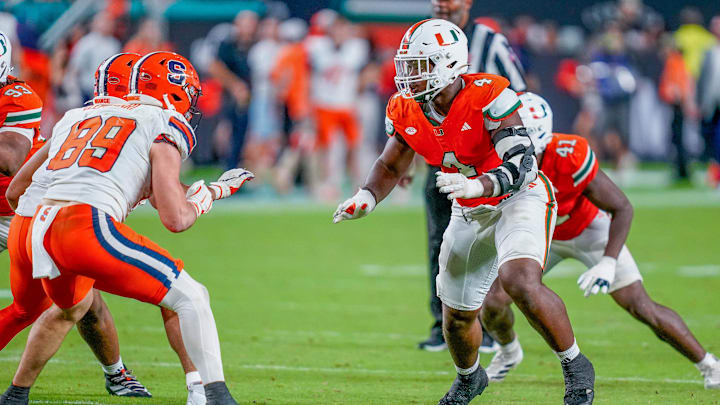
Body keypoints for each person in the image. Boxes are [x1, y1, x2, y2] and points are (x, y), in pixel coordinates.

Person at [333, 19, 594, 405]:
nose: (409, 76)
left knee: (519, 280)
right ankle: (470, 378)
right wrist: (368, 196)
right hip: (469, 209)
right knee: (455, 314)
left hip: (518, 199)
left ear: (450, 64)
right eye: (407, 66)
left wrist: (478, 184)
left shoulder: (489, 95)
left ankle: (575, 367)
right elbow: (391, 164)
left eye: (419, 66)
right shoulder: (408, 108)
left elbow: (523, 164)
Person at [0, 51, 252, 405]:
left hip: (28, 230)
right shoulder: (164, 120)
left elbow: (16, 192)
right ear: (174, 90)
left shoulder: (80, 114)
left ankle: (14, 396)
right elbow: (176, 219)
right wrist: (213, 191)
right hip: (81, 227)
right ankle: (216, 398)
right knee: (192, 296)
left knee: (58, 308)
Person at [480, 92, 720, 389]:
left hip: (588, 229)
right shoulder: (496, 159)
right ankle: (508, 351)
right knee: (492, 302)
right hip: (542, 234)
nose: (507, 141)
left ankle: (709, 365)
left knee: (639, 305)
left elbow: (622, 207)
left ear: (537, 137)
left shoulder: (570, 153)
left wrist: (608, 262)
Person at [418, 0, 526, 352]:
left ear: (467, 4)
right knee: (440, 244)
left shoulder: (489, 42)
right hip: (443, 163)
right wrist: (405, 159)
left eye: (451, 4)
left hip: (486, 167)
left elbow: (517, 95)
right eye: (439, 4)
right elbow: (413, 101)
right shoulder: (422, 37)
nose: (443, 8)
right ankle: (443, 326)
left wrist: (513, 152)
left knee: (491, 243)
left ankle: (488, 327)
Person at [210, 10, 257, 170]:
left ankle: (237, 171)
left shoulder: (254, 45)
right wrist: (235, 85)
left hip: (249, 99)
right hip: (229, 98)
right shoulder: (228, 44)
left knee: (243, 138)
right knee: (228, 135)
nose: (249, 28)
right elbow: (215, 67)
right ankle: (228, 172)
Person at [64, 12, 121, 103]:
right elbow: (75, 68)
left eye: (109, 22)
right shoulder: (86, 43)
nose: (107, 25)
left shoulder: (114, 44)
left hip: (106, 91)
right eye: (104, 21)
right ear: (95, 23)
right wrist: (73, 90)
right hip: (87, 90)